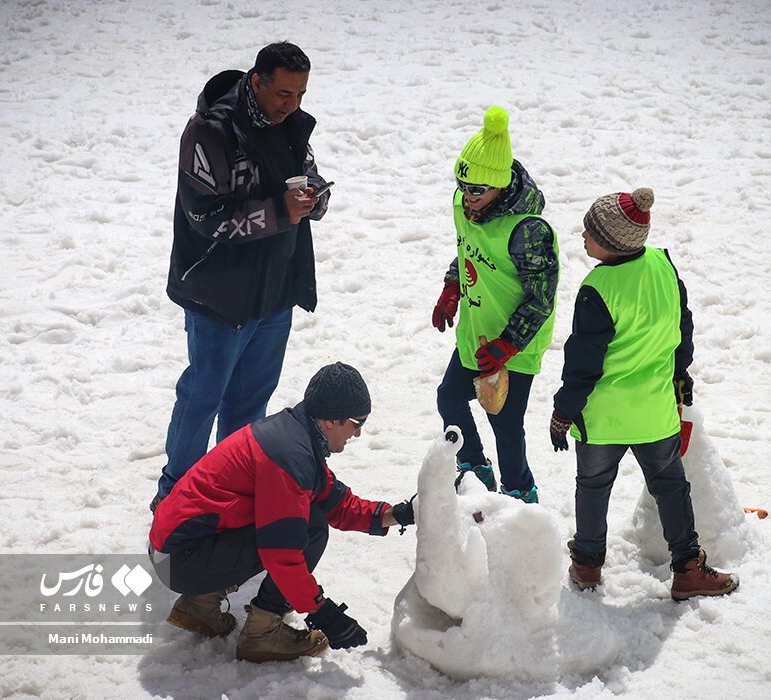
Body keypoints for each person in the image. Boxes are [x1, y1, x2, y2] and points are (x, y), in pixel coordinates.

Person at [152, 41, 331, 511]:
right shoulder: (208, 133)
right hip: (219, 295)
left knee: (251, 403)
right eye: (284, 94)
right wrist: (280, 211)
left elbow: (308, 177)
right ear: (257, 82)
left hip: (274, 293)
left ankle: (232, 490)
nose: (292, 105)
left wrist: (315, 198)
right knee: (203, 396)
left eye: (301, 94)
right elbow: (206, 218)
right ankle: (176, 496)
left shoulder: (291, 125)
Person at [148, 362, 416, 662]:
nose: (357, 434)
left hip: (175, 551)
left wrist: (396, 514)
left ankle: (199, 604)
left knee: (306, 516)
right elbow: (282, 554)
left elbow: (334, 501)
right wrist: (321, 610)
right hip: (180, 558)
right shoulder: (289, 457)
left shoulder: (294, 434)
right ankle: (263, 634)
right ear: (330, 420)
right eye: (357, 423)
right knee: (311, 528)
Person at [549, 187, 739, 601]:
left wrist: (563, 411)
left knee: (593, 488)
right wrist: (681, 376)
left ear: (614, 244)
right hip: (655, 410)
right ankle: (689, 569)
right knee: (671, 488)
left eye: (591, 231)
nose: (583, 235)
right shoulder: (662, 264)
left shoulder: (597, 288)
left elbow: (584, 363)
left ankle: (586, 566)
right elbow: (682, 328)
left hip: (603, 418)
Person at [431, 106, 559, 504]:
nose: (467, 197)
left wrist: (509, 344)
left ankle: (520, 491)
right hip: (476, 331)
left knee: (504, 420)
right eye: (462, 185)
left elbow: (541, 299)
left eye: (477, 190)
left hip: (514, 345)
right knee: (449, 398)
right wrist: (452, 287)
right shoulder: (465, 204)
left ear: (501, 186)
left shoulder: (528, 231)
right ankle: (473, 466)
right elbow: (467, 250)